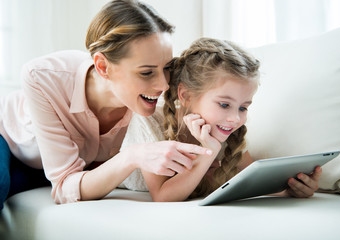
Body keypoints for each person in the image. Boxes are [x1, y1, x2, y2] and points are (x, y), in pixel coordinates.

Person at [0, 0, 212, 210]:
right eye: (146, 72)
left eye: (167, 67)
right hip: (11, 147)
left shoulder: (156, 97)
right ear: (103, 66)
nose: (164, 85)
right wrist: (132, 156)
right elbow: (64, 187)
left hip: (60, 171)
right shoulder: (43, 77)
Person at [119, 37, 322, 201]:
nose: (234, 118)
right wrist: (208, 152)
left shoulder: (225, 129)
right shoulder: (149, 121)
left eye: (243, 107)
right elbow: (163, 197)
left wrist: (290, 190)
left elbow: (249, 181)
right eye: (224, 104)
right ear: (186, 95)